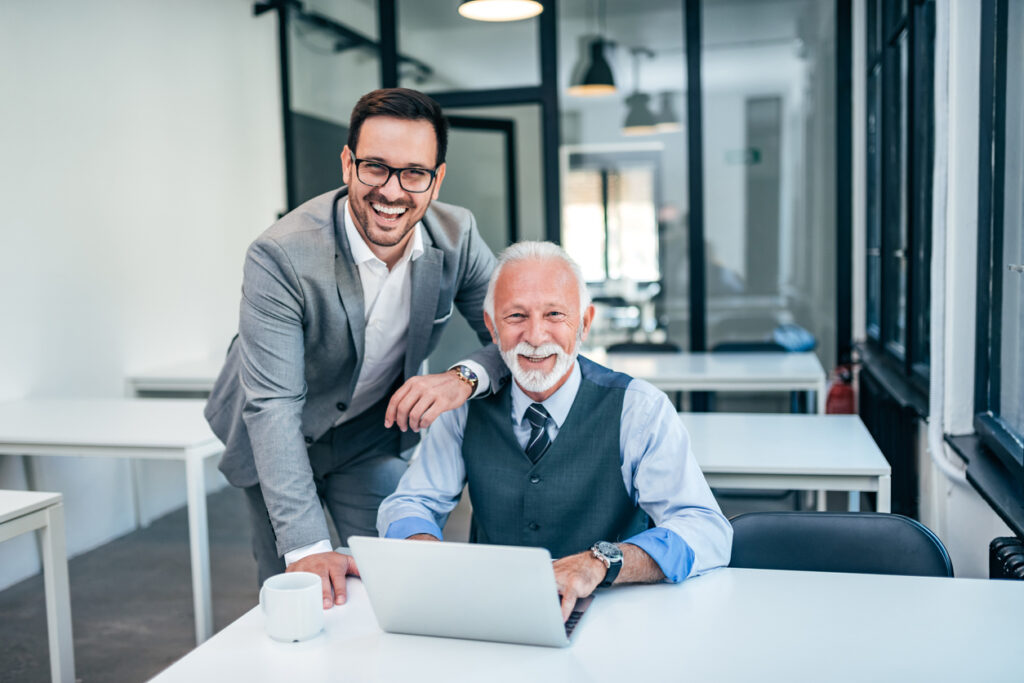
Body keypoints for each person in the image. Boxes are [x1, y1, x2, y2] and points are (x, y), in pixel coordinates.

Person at [205, 88, 505, 609]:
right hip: (275, 432)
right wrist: (307, 548)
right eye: (375, 167)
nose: (392, 191)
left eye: (414, 172)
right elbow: (273, 405)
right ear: (347, 163)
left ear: (437, 180)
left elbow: (516, 336)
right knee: (296, 593)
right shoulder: (281, 255)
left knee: (397, 579)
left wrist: (462, 377)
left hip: (368, 435)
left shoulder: (457, 236)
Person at [377, 241, 732, 621]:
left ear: (584, 322)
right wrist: (421, 546)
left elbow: (705, 529)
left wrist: (601, 562)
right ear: (491, 327)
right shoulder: (463, 409)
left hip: (616, 617)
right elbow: (410, 502)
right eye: (516, 316)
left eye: (554, 314)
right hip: (495, 614)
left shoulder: (639, 409)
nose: (535, 335)